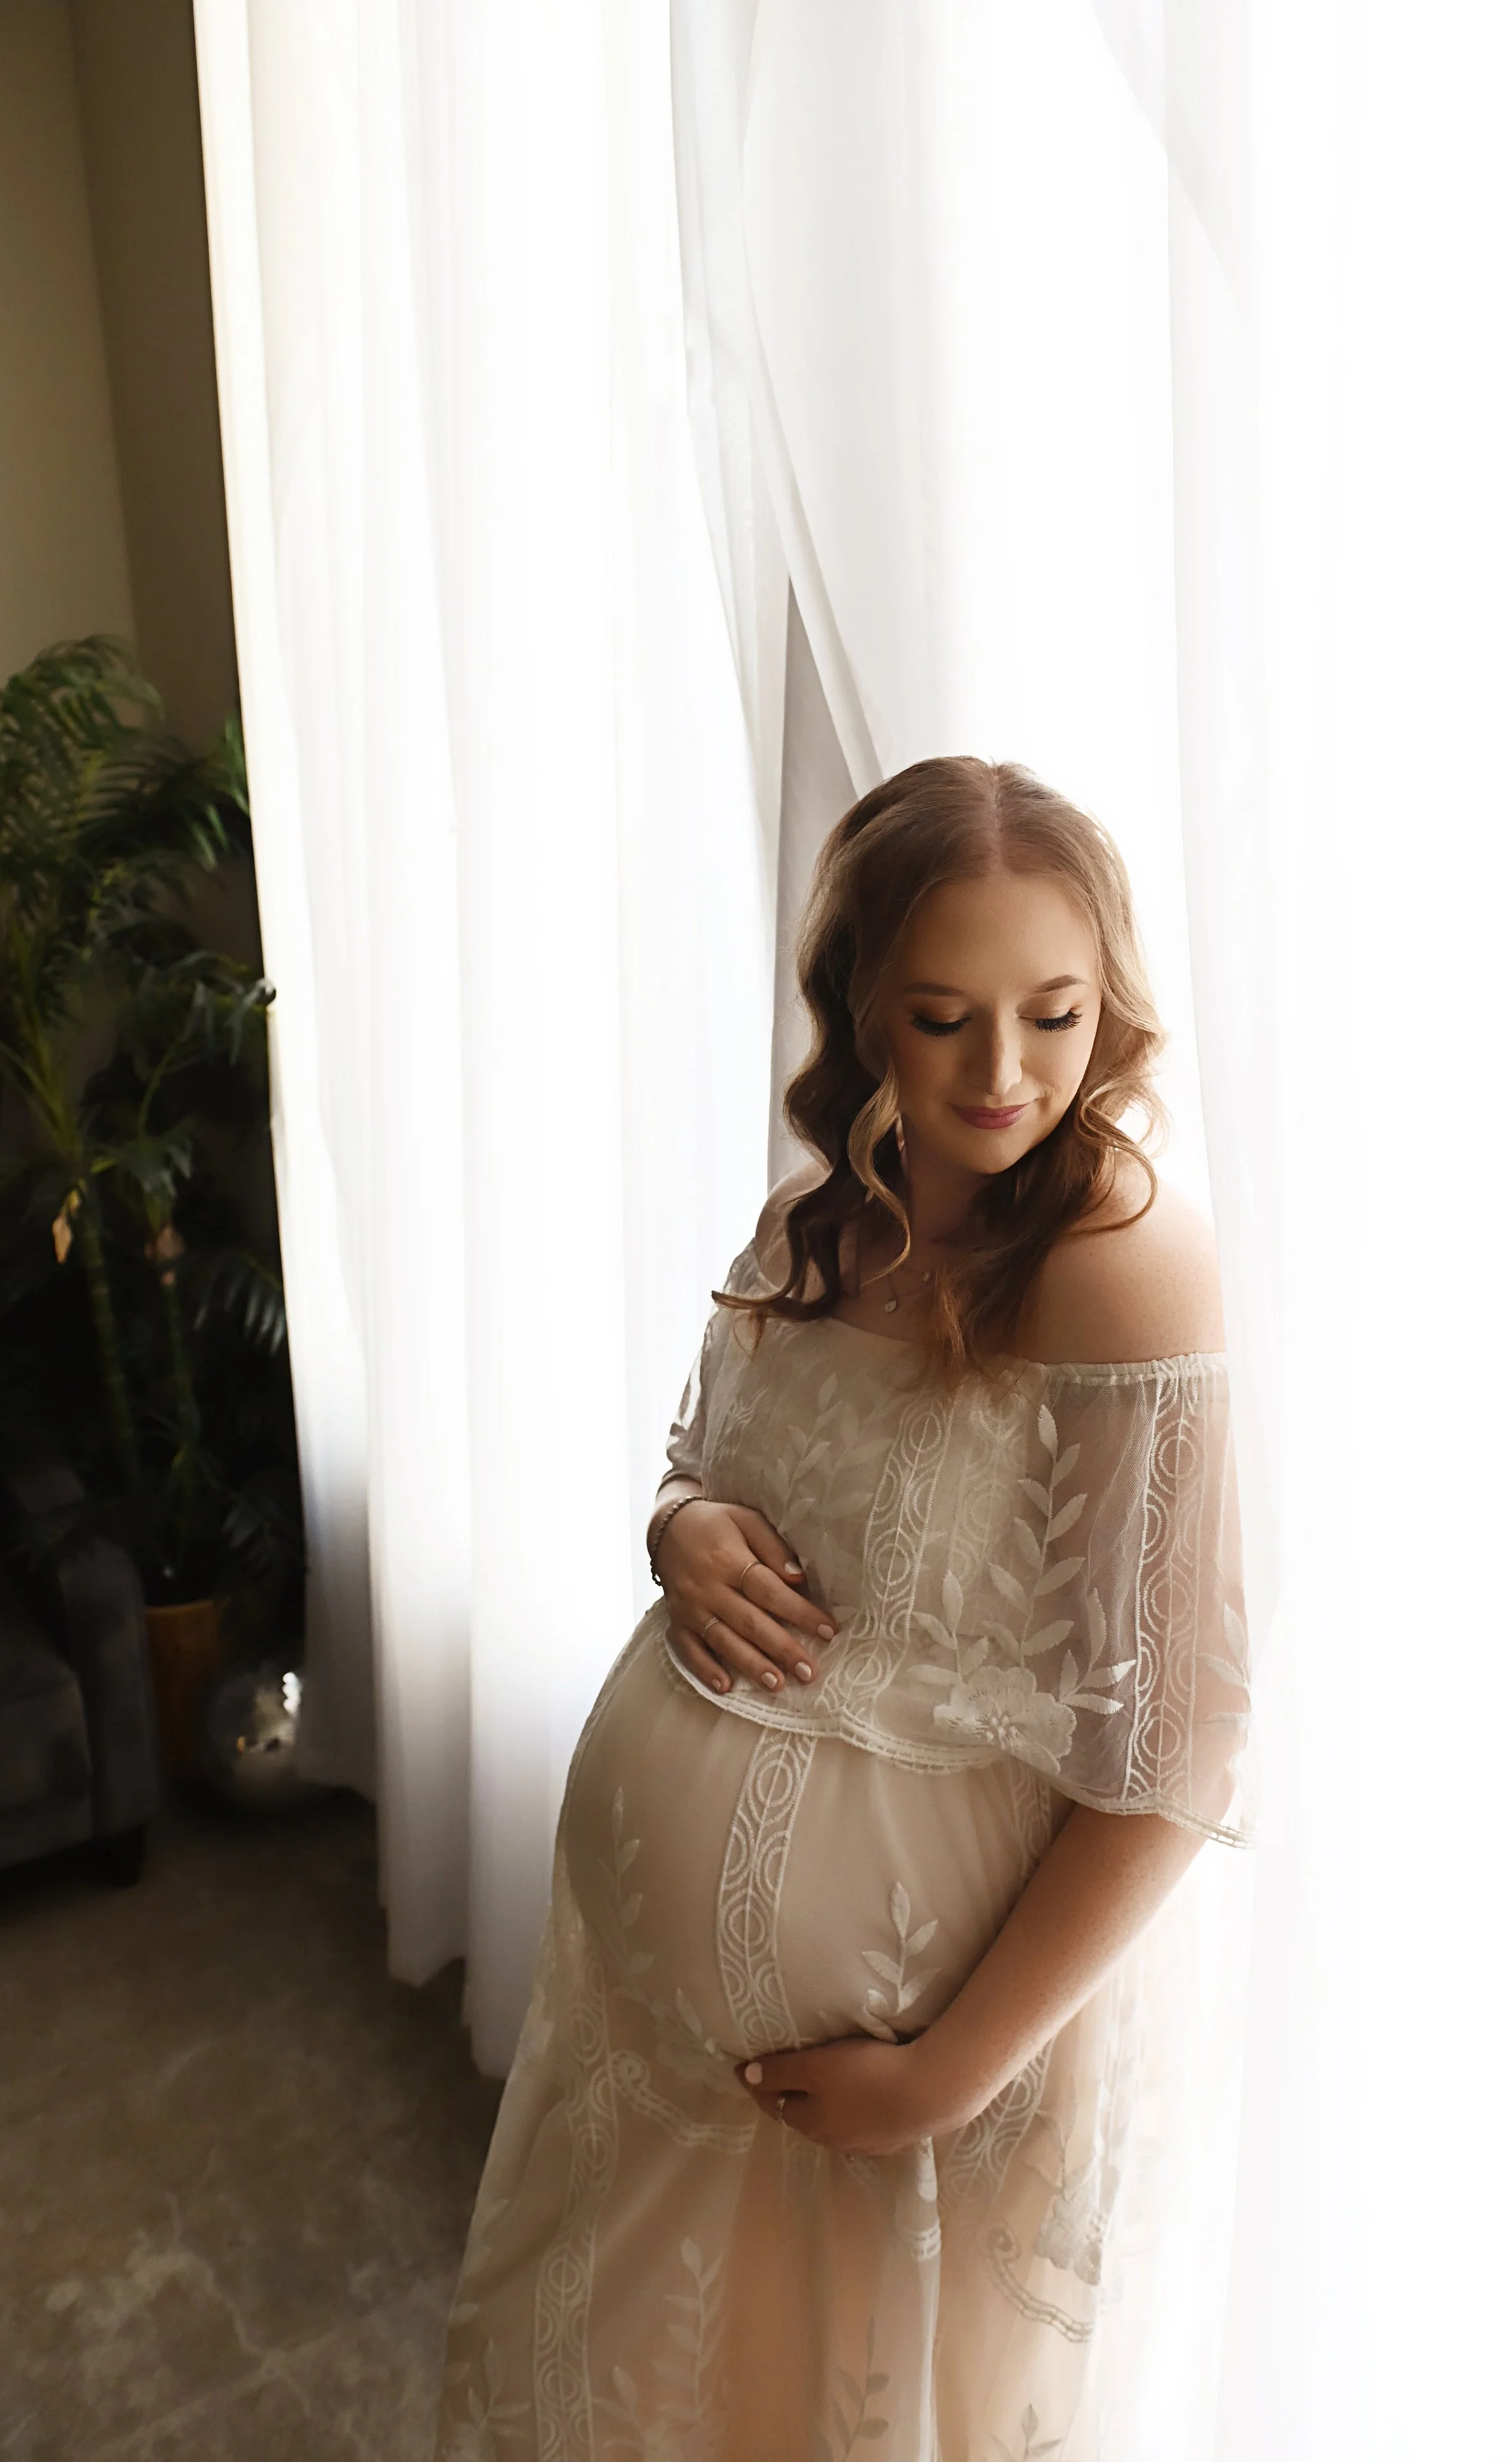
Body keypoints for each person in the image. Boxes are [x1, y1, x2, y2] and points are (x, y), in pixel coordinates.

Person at [434, 756, 1250, 2462]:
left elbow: (1180, 1740)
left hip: (930, 2073)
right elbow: (699, 1449)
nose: (1007, 1073)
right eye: (946, 1015)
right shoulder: (813, 1221)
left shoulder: (1115, 1262)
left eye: (1055, 1011)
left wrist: (946, 2067)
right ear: (859, 1002)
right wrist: (682, 1522)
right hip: (660, 2071)